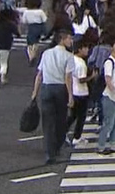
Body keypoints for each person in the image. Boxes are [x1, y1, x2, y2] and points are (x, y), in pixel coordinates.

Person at [30, 30, 74, 165]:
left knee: (48, 122)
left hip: (46, 88)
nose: (71, 41)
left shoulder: (46, 53)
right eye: (69, 39)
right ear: (62, 40)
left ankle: (49, 153)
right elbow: (68, 77)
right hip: (60, 89)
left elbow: (39, 74)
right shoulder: (68, 56)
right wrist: (71, 95)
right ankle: (57, 146)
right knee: (60, 120)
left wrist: (34, 92)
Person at [98, 37, 115, 155]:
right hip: (109, 97)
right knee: (108, 123)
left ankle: (113, 144)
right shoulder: (109, 62)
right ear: (112, 46)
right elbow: (108, 80)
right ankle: (101, 146)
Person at [66, 40, 95, 148]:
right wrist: (92, 77)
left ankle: (63, 131)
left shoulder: (71, 59)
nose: (87, 50)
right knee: (81, 117)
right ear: (80, 49)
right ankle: (77, 137)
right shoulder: (81, 64)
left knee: (73, 115)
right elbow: (81, 79)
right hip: (81, 93)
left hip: (74, 92)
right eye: (85, 48)